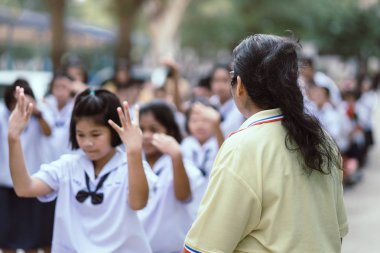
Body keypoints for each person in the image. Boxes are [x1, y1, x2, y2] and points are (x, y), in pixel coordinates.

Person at [184, 34, 348, 253]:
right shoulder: (322, 138)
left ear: (239, 85)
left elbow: (204, 247)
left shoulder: (243, 147)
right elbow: (336, 231)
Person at [8, 88, 155, 253]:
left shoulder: (132, 166)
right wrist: (14, 138)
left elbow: (138, 203)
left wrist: (134, 151)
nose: (87, 143)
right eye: (80, 134)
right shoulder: (68, 165)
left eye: (95, 134)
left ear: (115, 132)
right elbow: (24, 188)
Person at [137, 100, 204, 253]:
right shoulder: (133, 161)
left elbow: (183, 195)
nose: (147, 135)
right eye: (142, 129)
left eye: (154, 130)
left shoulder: (181, 163)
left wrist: (176, 156)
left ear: (170, 132)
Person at [0, 80, 55, 253]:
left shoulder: (41, 113)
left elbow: (49, 132)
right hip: (5, 185)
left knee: (33, 238)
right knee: (6, 237)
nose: (19, 105)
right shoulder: (2, 115)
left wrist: (36, 112)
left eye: (23, 100)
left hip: (32, 183)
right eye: (15, 101)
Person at [43, 71, 75, 161]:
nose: (60, 91)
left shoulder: (76, 105)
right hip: (48, 159)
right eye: (57, 87)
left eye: (64, 87)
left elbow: (92, 94)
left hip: (69, 159)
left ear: (71, 88)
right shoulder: (45, 104)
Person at [209, 64, 245, 137]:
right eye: (216, 80)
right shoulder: (210, 103)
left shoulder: (240, 108)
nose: (220, 85)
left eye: (225, 80)